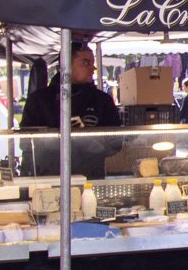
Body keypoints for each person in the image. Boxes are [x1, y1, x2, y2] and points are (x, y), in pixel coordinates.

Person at [20, 42, 122, 179]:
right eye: (86, 63)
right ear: (66, 65)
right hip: (48, 179)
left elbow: (116, 143)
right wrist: (53, 139)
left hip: (89, 181)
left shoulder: (102, 101)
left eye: (92, 63)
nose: (93, 68)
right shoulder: (39, 100)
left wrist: (90, 141)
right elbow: (26, 143)